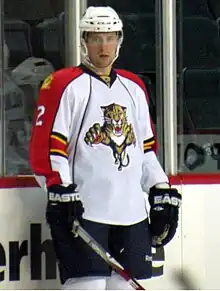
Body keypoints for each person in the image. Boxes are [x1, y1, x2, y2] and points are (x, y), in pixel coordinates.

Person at [29, 6, 182, 290]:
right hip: (86, 214)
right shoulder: (64, 85)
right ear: (84, 41)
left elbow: (145, 151)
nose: (104, 46)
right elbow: (48, 150)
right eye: (96, 37)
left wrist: (161, 188)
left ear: (119, 41)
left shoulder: (134, 87)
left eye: (110, 37)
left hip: (132, 217)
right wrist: (60, 191)